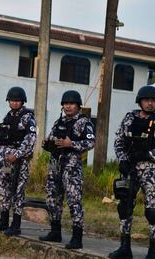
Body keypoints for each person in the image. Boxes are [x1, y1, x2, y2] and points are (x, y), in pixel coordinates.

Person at [109, 85, 155, 259]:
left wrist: (149, 154)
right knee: (124, 207)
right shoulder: (130, 118)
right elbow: (119, 140)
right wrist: (122, 158)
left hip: (151, 170)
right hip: (130, 169)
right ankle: (125, 247)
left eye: (153, 100)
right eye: (146, 100)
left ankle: (153, 251)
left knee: (153, 211)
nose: (150, 103)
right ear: (140, 101)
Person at [39, 90, 95, 249]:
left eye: (71, 104)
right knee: (52, 199)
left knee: (73, 201)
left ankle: (77, 238)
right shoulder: (59, 121)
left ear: (78, 106)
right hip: (55, 165)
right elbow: (52, 137)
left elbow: (91, 143)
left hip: (72, 168)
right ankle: (55, 231)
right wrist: (48, 143)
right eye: (65, 104)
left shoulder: (84, 122)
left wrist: (72, 144)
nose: (68, 106)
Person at [0, 86, 37, 236]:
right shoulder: (8, 116)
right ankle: (3, 220)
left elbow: (31, 139)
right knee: (3, 189)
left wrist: (18, 154)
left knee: (18, 191)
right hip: (4, 161)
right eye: (12, 100)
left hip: (18, 161)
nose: (14, 103)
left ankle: (16, 224)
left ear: (22, 101)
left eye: (17, 100)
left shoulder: (28, 117)